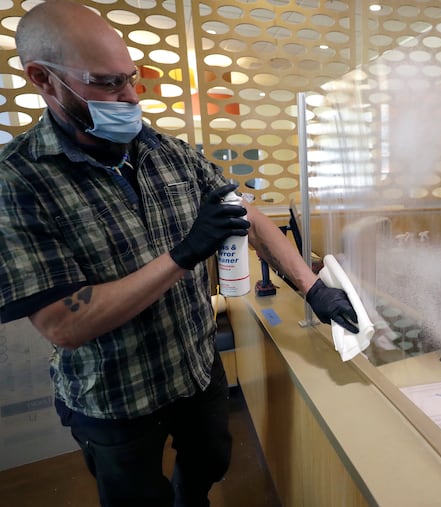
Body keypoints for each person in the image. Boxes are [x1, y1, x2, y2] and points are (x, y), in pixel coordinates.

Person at [0, 1, 358, 506]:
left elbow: (249, 216)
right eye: (106, 83)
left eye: (131, 78)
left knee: (211, 462)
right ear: (42, 78)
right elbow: (64, 324)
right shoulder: (18, 180)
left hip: (193, 366)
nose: (128, 97)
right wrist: (184, 254)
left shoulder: (166, 152)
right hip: (115, 397)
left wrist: (313, 287)